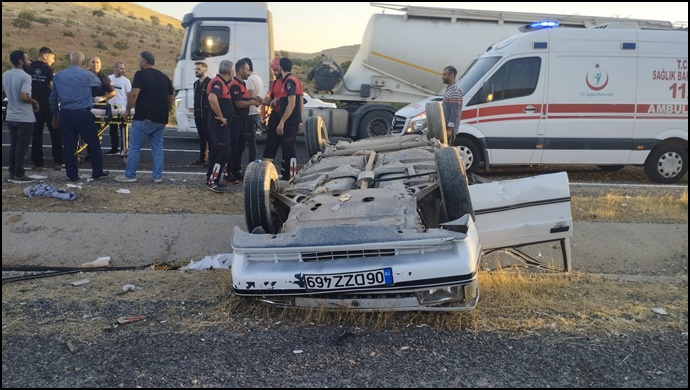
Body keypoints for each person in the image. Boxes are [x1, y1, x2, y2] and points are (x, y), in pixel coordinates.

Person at [49, 51, 109, 182]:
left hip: (65, 112)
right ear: (82, 62)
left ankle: (72, 175)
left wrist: (55, 115)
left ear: (70, 61)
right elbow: (98, 83)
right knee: (93, 142)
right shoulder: (86, 74)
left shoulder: (59, 76)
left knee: (69, 145)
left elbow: (53, 98)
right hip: (82, 112)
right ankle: (97, 171)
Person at [115, 51, 174, 183]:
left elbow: (134, 94)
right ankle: (158, 176)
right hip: (160, 118)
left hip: (144, 117)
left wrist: (128, 110)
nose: (138, 63)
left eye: (139, 60)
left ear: (144, 62)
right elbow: (170, 98)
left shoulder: (140, 75)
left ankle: (130, 175)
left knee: (135, 146)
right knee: (157, 147)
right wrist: (166, 110)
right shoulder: (165, 78)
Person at [3, 50, 39, 183]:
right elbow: (24, 96)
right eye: (27, 59)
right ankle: (20, 172)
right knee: (22, 146)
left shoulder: (5, 75)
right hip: (24, 117)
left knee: (14, 145)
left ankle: (12, 171)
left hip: (11, 115)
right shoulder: (25, 77)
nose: (29, 62)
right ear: (21, 61)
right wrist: (34, 102)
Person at [226, 59, 261, 183]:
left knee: (240, 147)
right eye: (247, 70)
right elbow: (239, 103)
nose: (249, 72)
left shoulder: (243, 84)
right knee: (233, 147)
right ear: (241, 70)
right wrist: (252, 102)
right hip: (235, 120)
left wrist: (253, 98)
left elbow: (244, 98)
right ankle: (229, 173)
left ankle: (236, 170)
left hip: (243, 121)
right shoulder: (234, 84)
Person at [29, 46, 61, 171]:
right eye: (52, 58)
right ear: (45, 56)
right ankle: (58, 161)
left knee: (36, 134)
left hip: (34, 104)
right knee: (55, 132)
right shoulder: (48, 69)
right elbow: (53, 87)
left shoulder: (29, 68)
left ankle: (37, 162)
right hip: (48, 104)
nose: (53, 61)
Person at [205, 60, 235, 193]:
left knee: (216, 152)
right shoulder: (218, 82)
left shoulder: (222, 83)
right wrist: (221, 116)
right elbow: (212, 98)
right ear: (230, 71)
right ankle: (212, 181)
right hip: (218, 124)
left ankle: (213, 178)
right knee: (224, 152)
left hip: (219, 124)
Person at [275, 57, 304, 181]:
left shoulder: (289, 81)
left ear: (280, 67)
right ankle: (286, 175)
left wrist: (281, 122)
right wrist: (277, 100)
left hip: (289, 122)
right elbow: (299, 100)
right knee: (286, 149)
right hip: (292, 120)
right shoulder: (291, 80)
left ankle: (292, 177)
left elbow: (292, 103)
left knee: (290, 150)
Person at [84, 57, 116, 162]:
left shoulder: (104, 78)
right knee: (86, 132)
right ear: (89, 64)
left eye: (97, 62)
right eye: (93, 62)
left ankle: (95, 155)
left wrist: (103, 98)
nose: (95, 64)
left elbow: (113, 92)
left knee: (96, 132)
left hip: (99, 109)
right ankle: (88, 153)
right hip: (85, 107)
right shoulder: (84, 76)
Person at [240, 57, 264, 167]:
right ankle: (252, 164)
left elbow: (248, 97)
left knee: (250, 142)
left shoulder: (250, 80)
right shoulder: (258, 78)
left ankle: (251, 165)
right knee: (252, 142)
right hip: (256, 113)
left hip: (250, 113)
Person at [260, 56, 284, 166]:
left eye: (275, 70)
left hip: (286, 116)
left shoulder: (290, 82)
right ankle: (266, 167)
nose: (274, 72)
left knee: (287, 147)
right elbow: (270, 100)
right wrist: (261, 101)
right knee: (270, 144)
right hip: (274, 115)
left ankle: (287, 172)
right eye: (272, 70)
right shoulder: (273, 83)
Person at [105, 61, 132, 155]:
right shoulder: (109, 78)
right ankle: (114, 148)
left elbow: (129, 95)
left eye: (123, 68)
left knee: (123, 129)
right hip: (111, 108)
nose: (123, 70)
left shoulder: (126, 81)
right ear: (115, 68)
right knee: (112, 130)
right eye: (121, 68)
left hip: (122, 109)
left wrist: (128, 109)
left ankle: (124, 149)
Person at [191, 61, 211, 166]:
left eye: (198, 69)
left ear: (205, 69)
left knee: (209, 137)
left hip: (207, 114)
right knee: (202, 137)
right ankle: (202, 158)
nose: (196, 71)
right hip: (198, 114)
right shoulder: (195, 84)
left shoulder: (210, 83)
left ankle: (211, 159)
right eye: (195, 69)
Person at [441, 65, 463, 142]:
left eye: (444, 75)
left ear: (451, 75)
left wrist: (449, 129)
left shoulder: (455, 91)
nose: (442, 77)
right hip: (445, 126)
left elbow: (455, 112)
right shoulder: (449, 89)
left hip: (448, 129)